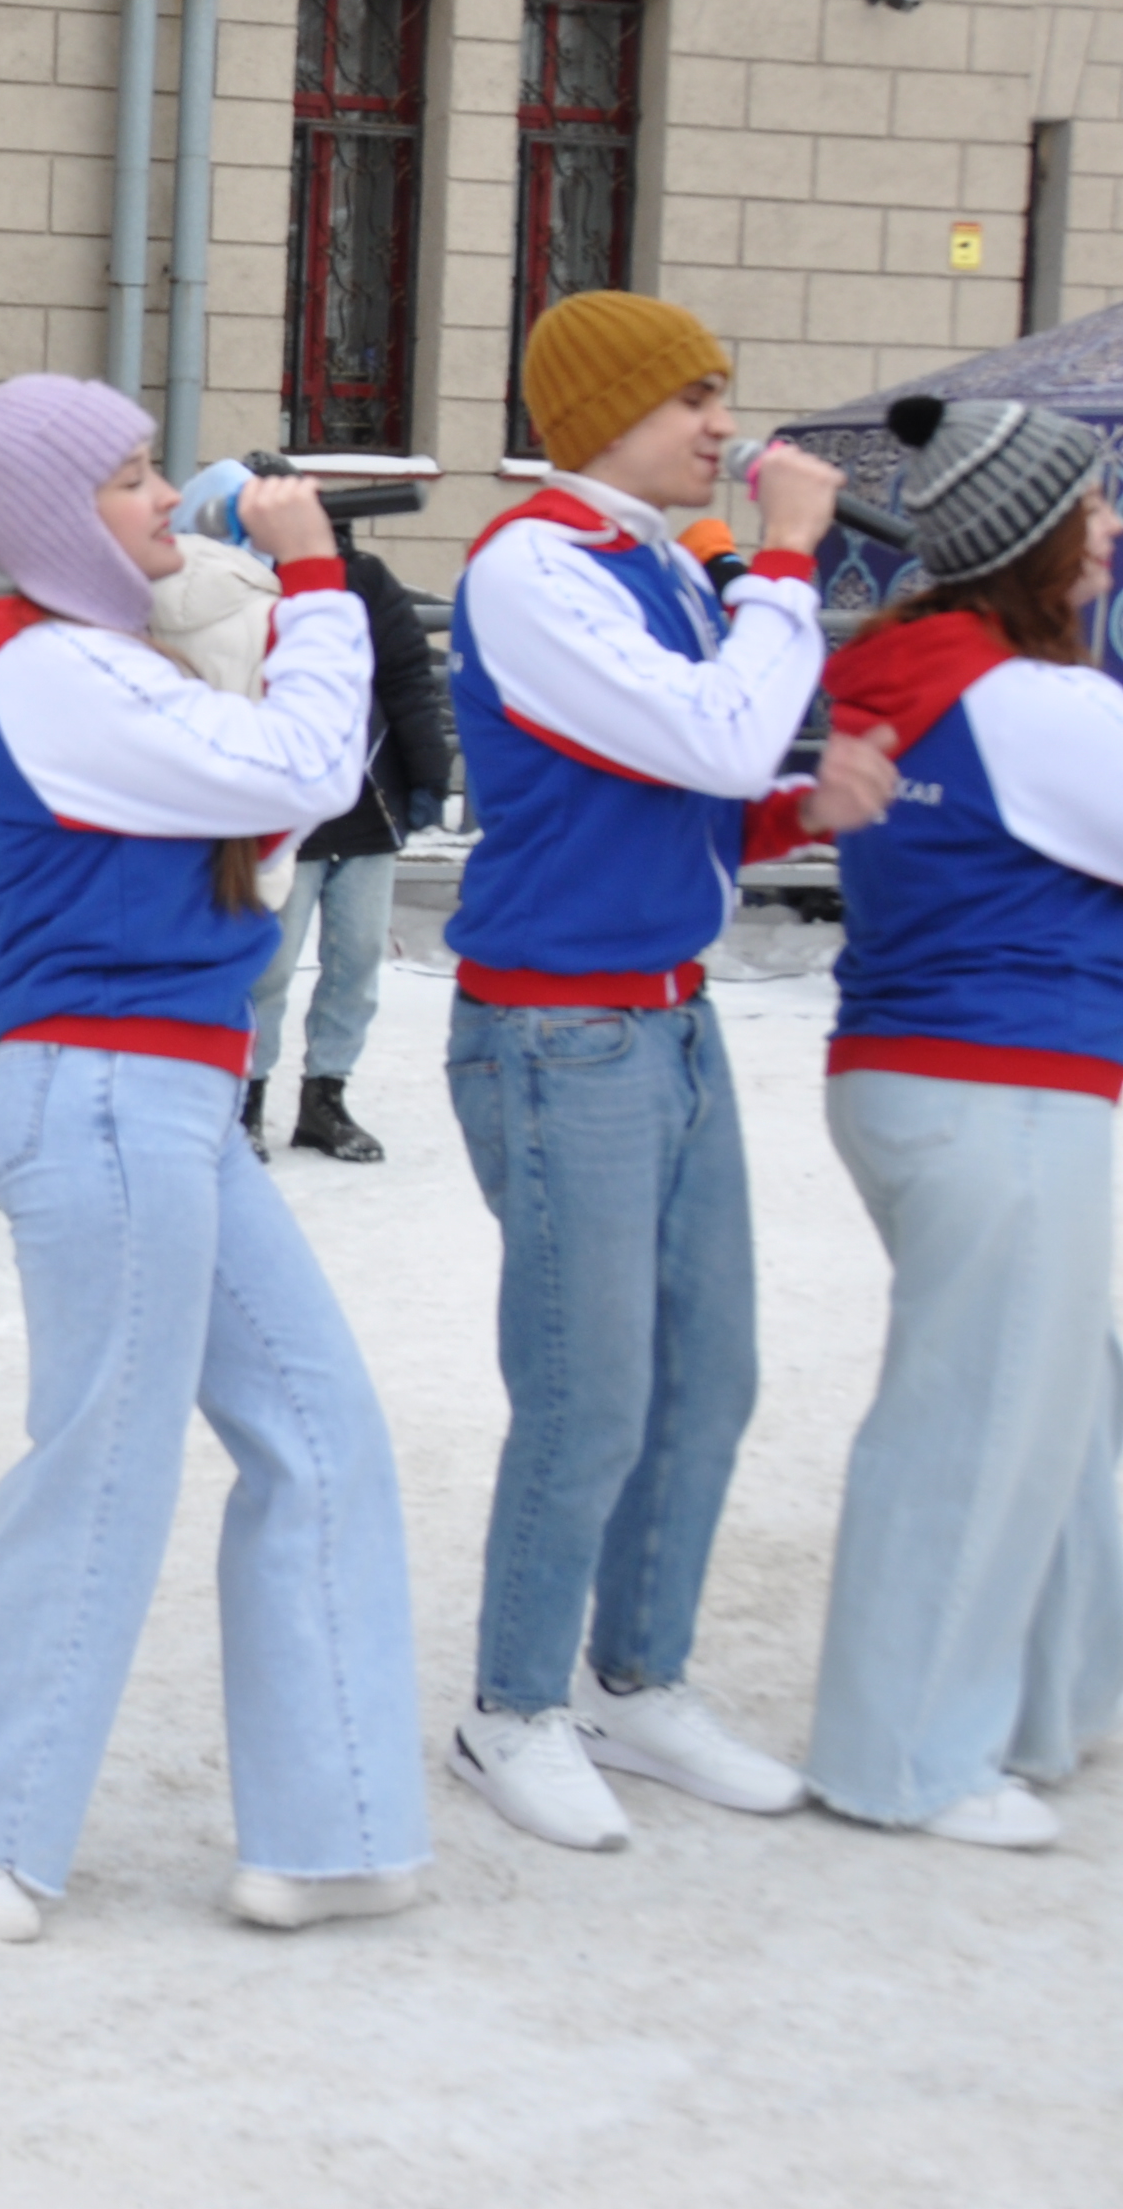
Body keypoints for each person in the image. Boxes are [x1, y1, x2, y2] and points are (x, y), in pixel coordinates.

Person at [0, 374, 426, 1943]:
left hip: (163, 1092)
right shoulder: (56, 672)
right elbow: (307, 771)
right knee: (105, 1463)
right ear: (55, 519)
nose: (165, 493)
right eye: (128, 476)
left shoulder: (93, 657)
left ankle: (334, 1829)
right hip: (107, 1092)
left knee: (320, 1432)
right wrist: (314, 575)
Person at [440, 288, 847, 1854]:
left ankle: (635, 1676)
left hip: (664, 1014)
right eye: (695, 400)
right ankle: (513, 1705)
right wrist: (792, 564)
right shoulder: (538, 566)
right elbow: (719, 739)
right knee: (587, 1387)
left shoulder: (659, 567)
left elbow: (688, 789)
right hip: (562, 1030)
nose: (725, 430)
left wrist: (806, 813)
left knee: (707, 1370)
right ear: (606, 414)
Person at [798, 394, 1123, 1850]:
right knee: (981, 1417)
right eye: (1093, 511)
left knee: (1054, 1398)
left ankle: (1044, 1703)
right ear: (1030, 544)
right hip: (1007, 1086)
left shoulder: (902, 674)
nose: (1112, 532)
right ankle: (907, 1756)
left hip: (910, 1077)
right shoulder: (1047, 710)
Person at [242, 506, 453, 1166]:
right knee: (266, 971)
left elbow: (407, 681)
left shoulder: (365, 580)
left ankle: (324, 1098)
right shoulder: (246, 580)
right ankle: (243, 1099)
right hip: (284, 809)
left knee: (356, 963)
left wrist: (427, 774)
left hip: (368, 800)